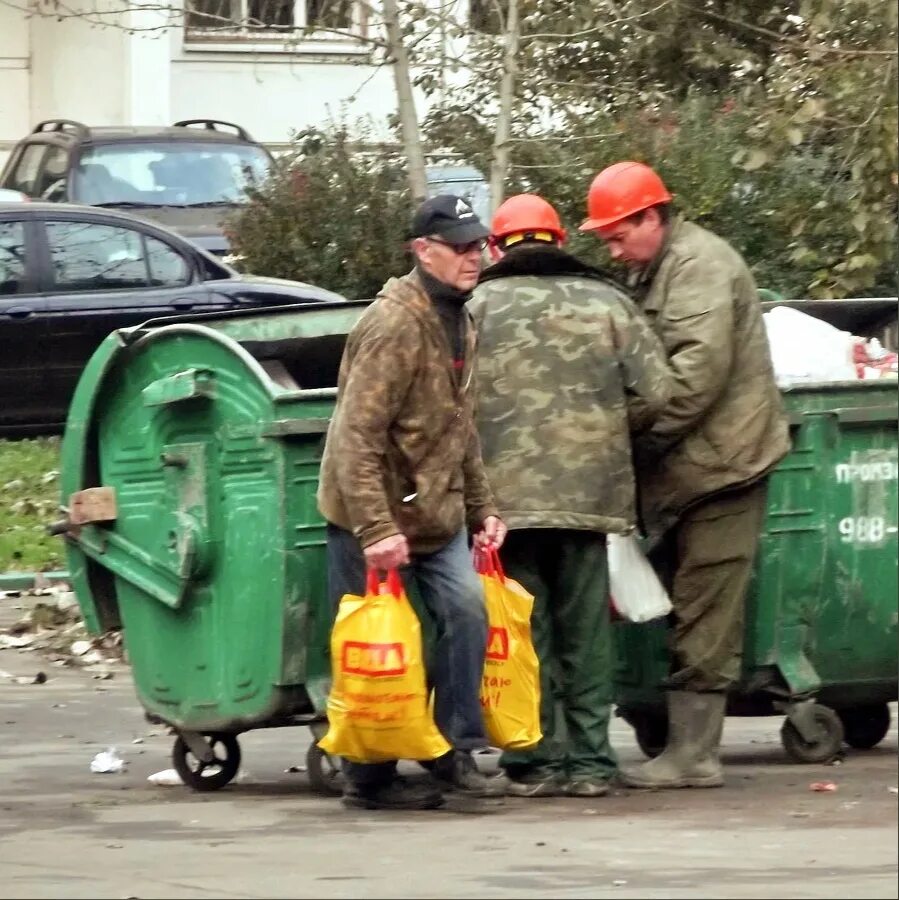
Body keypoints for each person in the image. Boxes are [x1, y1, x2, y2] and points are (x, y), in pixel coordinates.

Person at [579, 161, 790, 789]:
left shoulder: (701, 267)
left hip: (724, 465)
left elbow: (693, 380)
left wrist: (623, 439)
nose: (613, 250)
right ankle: (678, 741)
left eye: (619, 235)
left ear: (652, 217)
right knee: (684, 599)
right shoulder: (659, 266)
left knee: (704, 603)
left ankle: (694, 756)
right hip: (691, 468)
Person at [470, 193, 671, 798]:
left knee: (523, 632)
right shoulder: (608, 301)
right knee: (586, 634)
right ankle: (590, 765)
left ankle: (535, 762)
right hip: (591, 497)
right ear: (559, 240)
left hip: (504, 501)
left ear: (497, 245)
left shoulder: (475, 307)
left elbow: (444, 395)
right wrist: (609, 426)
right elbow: (659, 391)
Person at [317, 194, 508, 811]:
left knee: (467, 611)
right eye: (459, 247)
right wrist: (375, 528)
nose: (473, 256)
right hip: (373, 514)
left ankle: (454, 750)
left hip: (434, 513)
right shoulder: (395, 323)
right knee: (373, 646)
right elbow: (356, 435)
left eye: (477, 245)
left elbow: (458, 424)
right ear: (422, 251)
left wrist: (483, 509)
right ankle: (365, 777)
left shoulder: (461, 317)